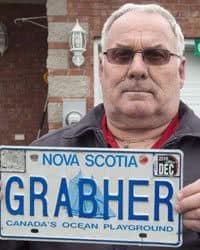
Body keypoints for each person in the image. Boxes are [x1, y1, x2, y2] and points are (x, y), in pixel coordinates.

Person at [1, 2, 200, 250]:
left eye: (156, 55)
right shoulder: (39, 159)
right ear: (102, 69)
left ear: (181, 72)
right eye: (121, 55)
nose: (137, 69)